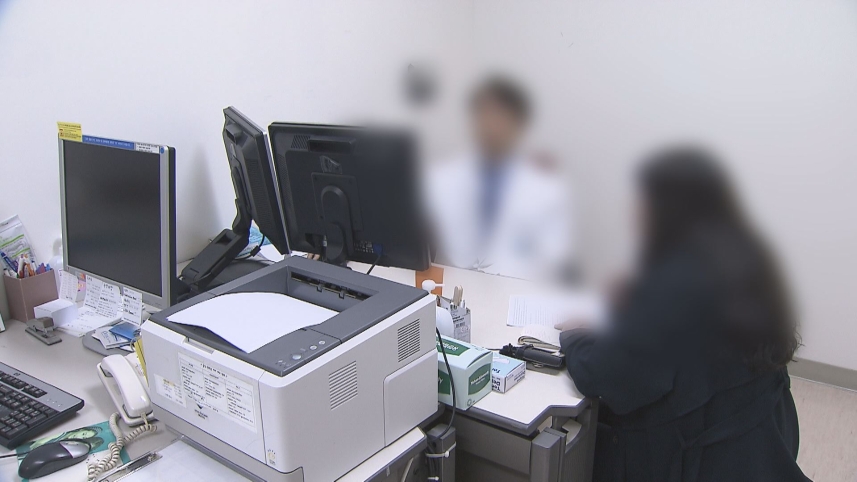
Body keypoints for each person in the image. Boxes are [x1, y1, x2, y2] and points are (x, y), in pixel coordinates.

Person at [557, 147, 809, 481]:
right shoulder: (745, 255)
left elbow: (604, 375)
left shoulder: (673, 284)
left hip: (699, 458)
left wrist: (575, 335)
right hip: (763, 446)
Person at [425, 76, 573, 281]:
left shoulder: (548, 190)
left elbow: (553, 261)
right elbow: (422, 242)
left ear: (519, 125)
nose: (490, 126)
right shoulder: (441, 179)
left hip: (514, 290)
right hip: (450, 288)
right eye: (483, 115)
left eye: (500, 118)